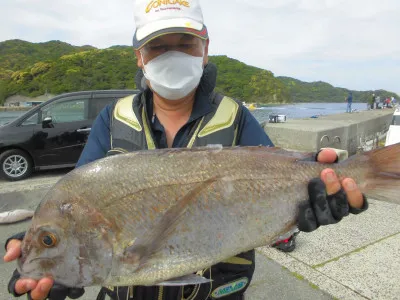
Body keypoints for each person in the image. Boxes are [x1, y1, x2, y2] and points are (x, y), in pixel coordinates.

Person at [3, 0, 368, 299]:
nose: (171, 55)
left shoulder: (237, 118)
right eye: (158, 47)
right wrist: (49, 248)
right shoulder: (112, 120)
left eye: (185, 44)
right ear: (139, 57)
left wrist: (314, 202)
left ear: (205, 50)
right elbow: (78, 202)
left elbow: (285, 192)